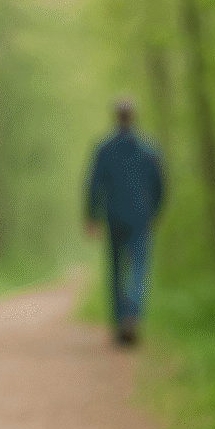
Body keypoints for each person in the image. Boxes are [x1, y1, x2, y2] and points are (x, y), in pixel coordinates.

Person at [85, 99, 165, 346]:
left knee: (117, 270)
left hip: (114, 216)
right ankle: (133, 316)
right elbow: (161, 185)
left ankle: (120, 322)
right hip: (141, 216)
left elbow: (94, 184)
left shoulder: (104, 148)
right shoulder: (149, 148)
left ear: (116, 117)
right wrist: (156, 212)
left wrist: (91, 216)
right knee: (139, 269)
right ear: (134, 117)